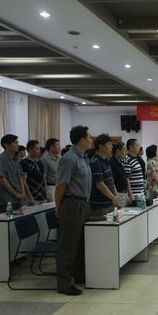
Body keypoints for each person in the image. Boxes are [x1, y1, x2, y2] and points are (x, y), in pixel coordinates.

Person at [55, 126, 93, 296]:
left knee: (80, 244)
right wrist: (58, 207)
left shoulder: (83, 158)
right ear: (82, 140)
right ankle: (64, 283)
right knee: (68, 246)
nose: (91, 140)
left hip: (83, 204)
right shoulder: (69, 159)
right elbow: (61, 185)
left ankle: (78, 276)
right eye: (89, 137)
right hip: (72, 204)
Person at [0, 134, 28, 211]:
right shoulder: (0, 159)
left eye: (18, 143)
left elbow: (20, 176)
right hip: (6, 198)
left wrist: (22, 192)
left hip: (19, 197)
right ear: (6, 145)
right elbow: (1, 179)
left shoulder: (16, 159)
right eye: (15, 143)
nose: (18, 145)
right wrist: (16, 194)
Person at [89, 134, 120, 218]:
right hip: (100, 205)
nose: (111, 147)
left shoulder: (106, 160)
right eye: (109, 144)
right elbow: (99, 184)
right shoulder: (95, 162)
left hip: (109, 202)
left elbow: (111, 181)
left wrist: (115, 195)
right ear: (101, 146)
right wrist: (113, 198)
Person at [110, 142, 133, 207]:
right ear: (118, 151)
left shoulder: (119, 162)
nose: (126, 153)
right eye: (124, 150)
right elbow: (112, 182)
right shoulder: (112, 163)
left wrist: (129, 194)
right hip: (118, 194)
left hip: (124, 193)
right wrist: (115, 196)